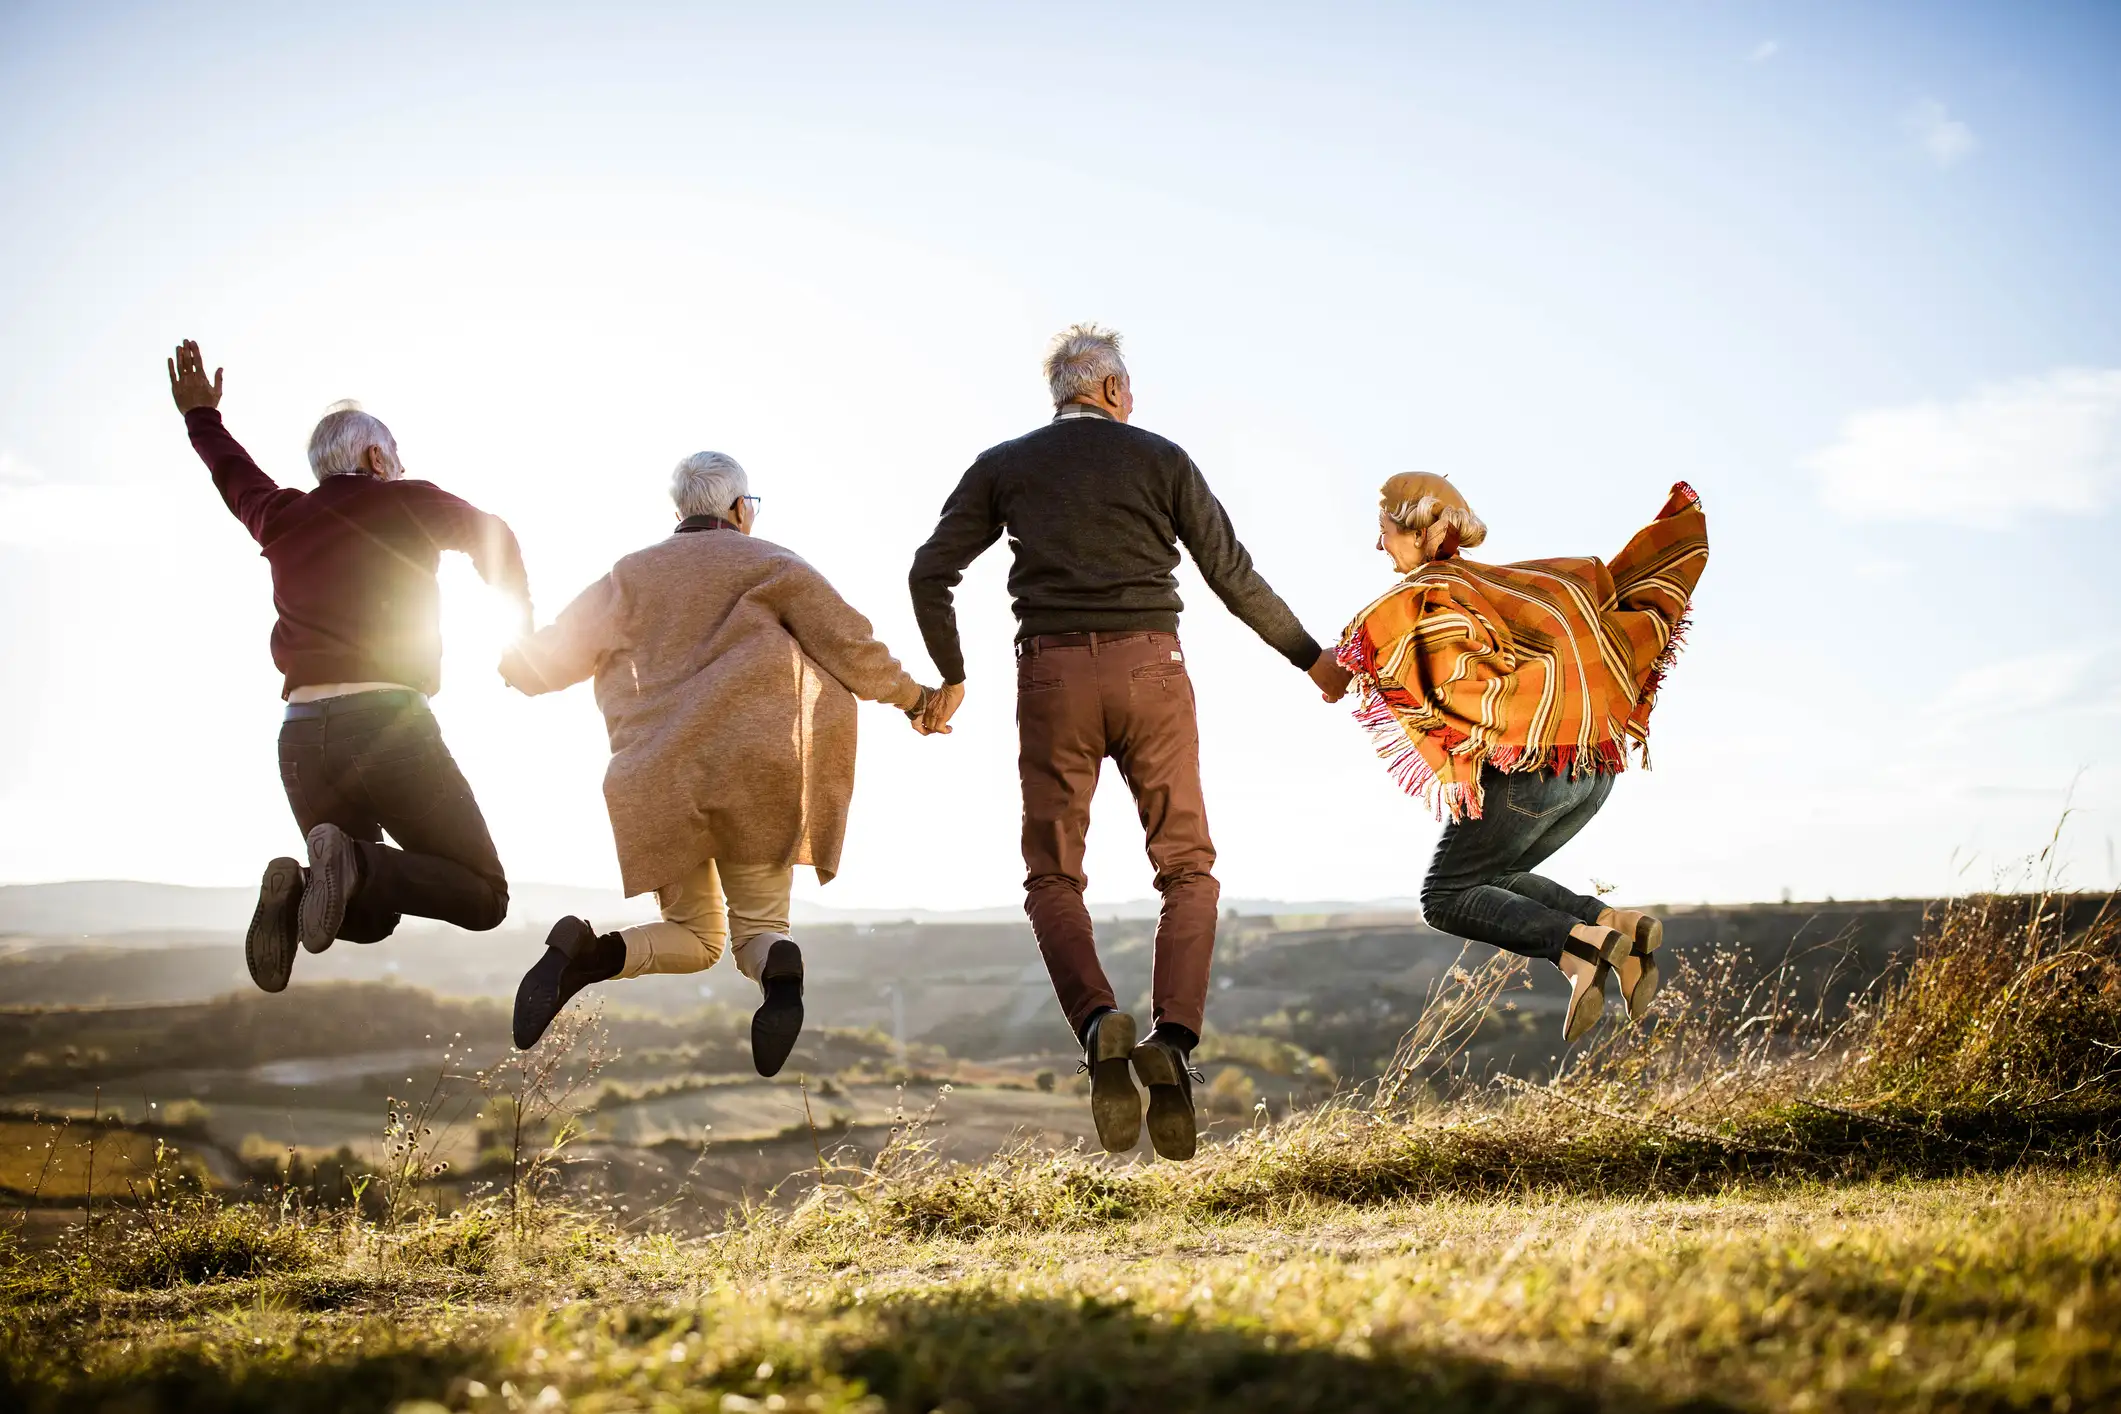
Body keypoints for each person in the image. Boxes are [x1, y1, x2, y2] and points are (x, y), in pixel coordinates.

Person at [908, 324, 1349, 1161]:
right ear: (1109, 391)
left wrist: (951, 674)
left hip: (1050, 680)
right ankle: (1173, 1043)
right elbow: (1230, 571)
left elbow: (929, 572)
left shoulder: (1004, 464)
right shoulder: (1161, 458)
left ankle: (1097, 1022)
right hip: (1152, 670)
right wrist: (1310, 660)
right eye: (1130, 387)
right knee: (1186, 866)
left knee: (1052, 872)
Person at [500, 451, 941, 1075]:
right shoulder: (772, 564)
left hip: (658, 777)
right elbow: (852, 647)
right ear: (739, 509)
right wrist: (917, 701)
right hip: (758, 771)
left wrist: (508, 659)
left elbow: (541, 663)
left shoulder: (630, 576)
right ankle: (778, 969)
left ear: (679, 512)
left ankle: (581, 955)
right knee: (755, 932)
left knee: (695, 934)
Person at [166, 340, 532, 994]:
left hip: (302, 736)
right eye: (394, 454)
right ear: (375, 457)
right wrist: (520, 633)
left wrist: (201, 416)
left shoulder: (281, 517)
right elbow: (494, 537)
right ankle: (348, 865)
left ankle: (303, 887)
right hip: (385, 726)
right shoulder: (406, 501)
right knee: (483, 896)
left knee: (364, 918)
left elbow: (234, 476)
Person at [1336, 473, 1709, 1042]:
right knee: (1499, 878)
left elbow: (1401, 656)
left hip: (1529, 772)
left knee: (1444, 897)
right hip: (1592, 770)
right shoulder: (1522, 586)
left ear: (1416, 530)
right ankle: (1611, 925)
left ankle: (1576, 947)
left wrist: (1347, 662)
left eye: (1383, 529)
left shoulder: (1427, 596)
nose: (1378, 544)